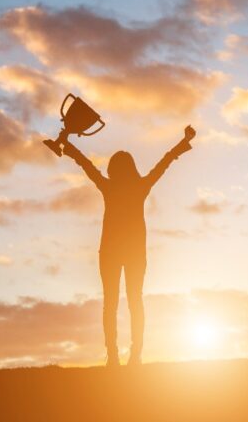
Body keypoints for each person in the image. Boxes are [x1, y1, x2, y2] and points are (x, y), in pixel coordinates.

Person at [62, 125, 196, 366]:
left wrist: (68, 147)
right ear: (132, 168)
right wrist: (183, 143)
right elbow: (164, 163)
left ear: (113, 169)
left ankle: (113, 356)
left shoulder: (109, 187)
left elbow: (87, 165)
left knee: (111, 303)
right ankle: (135, 355)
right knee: (135, 300)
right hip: (134, 253)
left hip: (111, 253)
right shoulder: (139, 186)